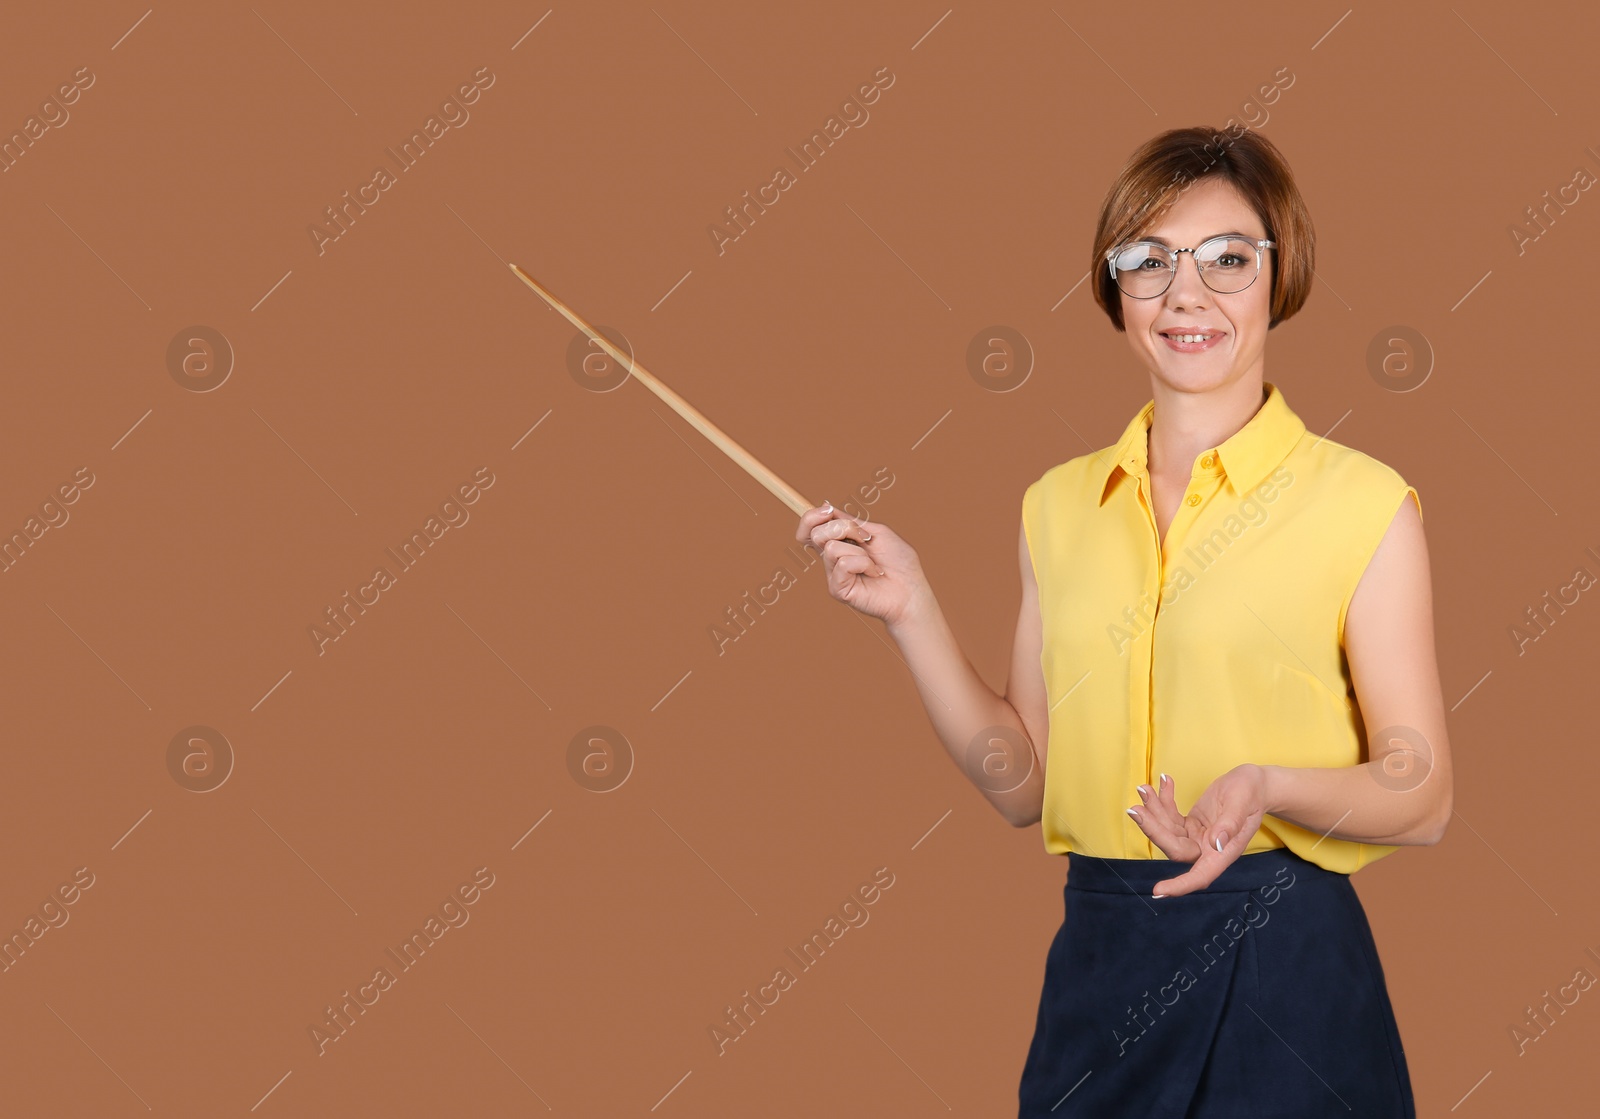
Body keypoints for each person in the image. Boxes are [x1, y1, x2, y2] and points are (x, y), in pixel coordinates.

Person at [793, 126, 1451, 1117]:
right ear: (1115, 294)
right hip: (1104, 962)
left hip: (1291, 970)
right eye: (1145, 261)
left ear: (1280, 275)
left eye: (1228, 259)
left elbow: (1423, 792)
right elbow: (1024, 784)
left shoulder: (1363, 505)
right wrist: (911, 613)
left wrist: (1265, 786)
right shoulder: (1057, 505)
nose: (1186, 295)